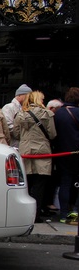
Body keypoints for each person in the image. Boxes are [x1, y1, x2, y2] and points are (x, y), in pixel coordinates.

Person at [14, 91, 57, 222]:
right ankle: (36, 215)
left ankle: (24, 215)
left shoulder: (20, 114)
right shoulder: (47, 114)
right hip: (42, 151)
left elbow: (16, 133)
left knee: (26, 184)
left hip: (25, 150)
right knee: (39, 184)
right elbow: (52, 134)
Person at [52, 87, 79, 224]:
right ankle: (75, 210)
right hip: (77, 153)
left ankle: (63, 214)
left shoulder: (58, 113)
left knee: (65, 183)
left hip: (61, 153)